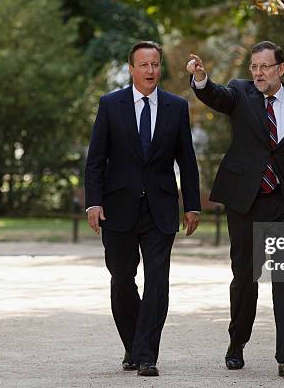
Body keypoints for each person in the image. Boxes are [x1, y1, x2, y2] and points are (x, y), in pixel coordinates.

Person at [187, 41, 284, 379]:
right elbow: (217, 97)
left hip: (282, 201)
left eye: (265, 67)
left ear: (281, 69)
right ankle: (237, 344)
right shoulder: (239, 93)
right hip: (245, 199)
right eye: (254, 67)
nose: (258, 73)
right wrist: (201, 79)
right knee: (245, 277)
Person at [85, 41, 201, 377]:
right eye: (144, 65)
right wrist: (94, 202)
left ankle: (147, 354)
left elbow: (187, 161)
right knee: (122, 279)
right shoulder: (110, 105)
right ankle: (133, 345)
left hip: (160, 209)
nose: (150, 71)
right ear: (132, 69)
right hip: (118, 208)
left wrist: (191, 204)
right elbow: (96, 160)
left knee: (158, 282)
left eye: (155, 64)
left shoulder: (176, 107)